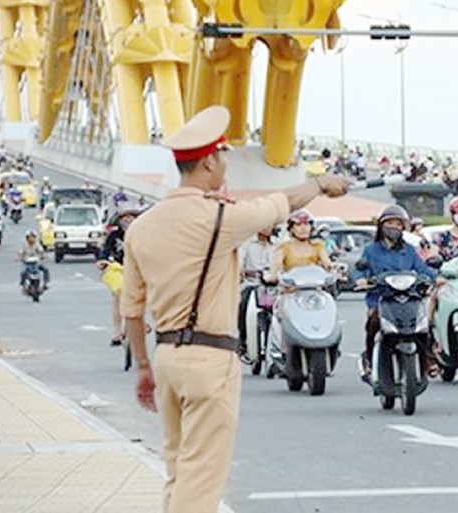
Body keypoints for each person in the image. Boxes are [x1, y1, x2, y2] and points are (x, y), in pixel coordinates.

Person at [120, 105, 351, 513]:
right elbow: (281, 202)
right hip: (209, 360)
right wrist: (319, 183)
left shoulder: (141, 226)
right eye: (224, 153)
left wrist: (143, 366)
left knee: (178, 467)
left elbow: (133, 310)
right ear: (209, 160)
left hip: (167, 358)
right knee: (202, 477)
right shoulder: (218, 217)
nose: (226, 161)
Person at [353, 205, 436, 381]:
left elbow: (423, 269)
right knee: (373, 323)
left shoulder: (409, 251)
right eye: (390, 223)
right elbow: (359, 270)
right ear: (381, 226)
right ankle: (369, 359)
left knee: (422, 327)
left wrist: (436, 278)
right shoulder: (371, 250)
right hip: (380, 299)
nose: (394, 227)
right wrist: (360, 279)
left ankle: (428, 360)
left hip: (409, 298)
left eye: (398, 224)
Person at [97, 203, 142, 346]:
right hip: (118, 269)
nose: (127, 221)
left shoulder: (143, 235)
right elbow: (104, 252)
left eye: (131, 218)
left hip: (138, 270)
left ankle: (141, 322)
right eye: (124, 218)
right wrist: (102, 261)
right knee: (118, 294)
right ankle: (117, 332)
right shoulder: (114, 236)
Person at [266, 209, 332, 281]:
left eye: (306, 224)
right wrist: (272, 277)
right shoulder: (284, 247)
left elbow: (328, 264)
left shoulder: (317, 246)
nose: (303, 228)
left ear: (311, 227)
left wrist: (333, 270)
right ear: (291, 229)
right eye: (298, 224)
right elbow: (275, 269)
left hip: (314, 288)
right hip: (291, 290)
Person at [237, 229, 274, 353]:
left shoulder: (279, 243)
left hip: (274, 287)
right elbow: (240, 261)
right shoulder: (247, 243)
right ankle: (242, 339)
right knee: (243, 304)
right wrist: (241, 271)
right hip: (252, 285)